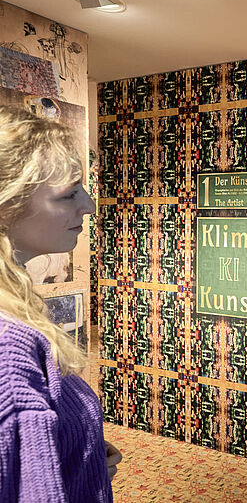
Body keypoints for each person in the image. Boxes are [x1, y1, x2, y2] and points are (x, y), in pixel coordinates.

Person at [0, 105, 120, 502]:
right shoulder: (8, 346)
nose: (89, 206)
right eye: (69, 194)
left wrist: (78, 452)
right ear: (8, 205)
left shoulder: (16, 304)